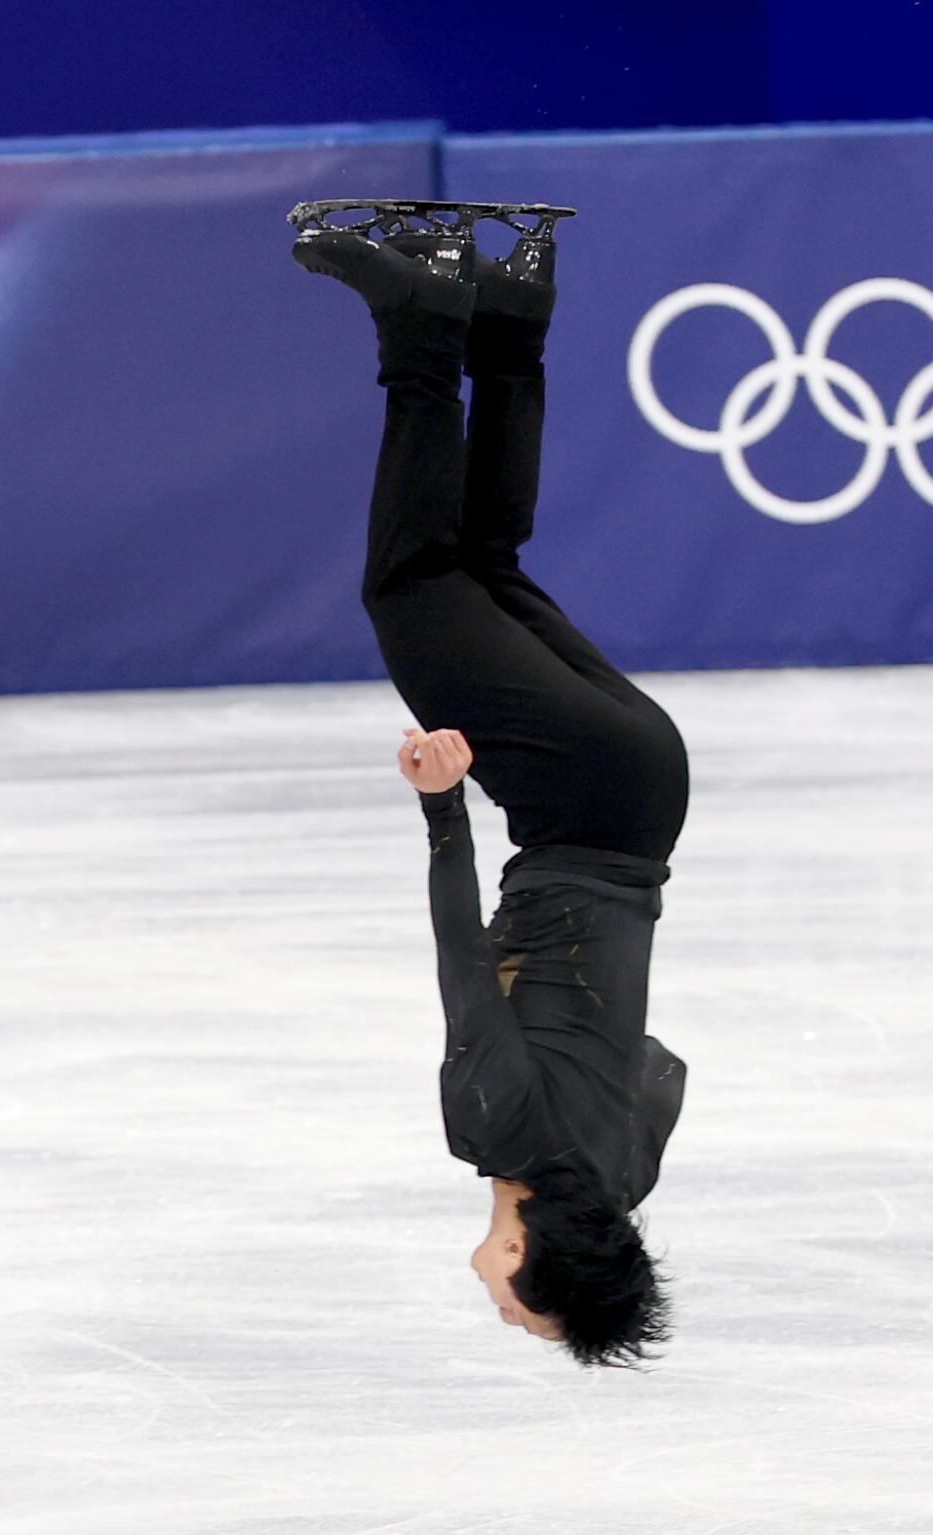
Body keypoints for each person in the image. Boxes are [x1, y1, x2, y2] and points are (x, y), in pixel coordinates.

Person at [292, 208, 691, 1369]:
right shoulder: (497, 1129)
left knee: (483, 564)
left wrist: (587, 1020)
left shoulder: (620, 1171)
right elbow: (464, 964)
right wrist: (438, 803)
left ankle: (512, 309)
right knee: (409, 584)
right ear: (530, 1256)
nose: (510, 1315)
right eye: (531, 1311)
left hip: (647, 794)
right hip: (569, 803)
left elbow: (659, 1070)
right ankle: (417, 321)